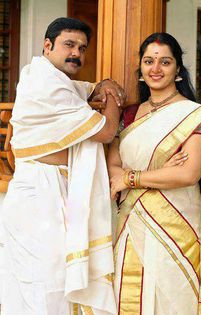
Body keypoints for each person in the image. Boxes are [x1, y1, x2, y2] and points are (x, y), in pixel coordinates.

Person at [1, 17, 125, 315]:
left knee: (53, 282)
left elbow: (84, 90)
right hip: (39, 195)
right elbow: (107, 132)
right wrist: (113, 98)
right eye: (69, 45)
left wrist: (101, 84)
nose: (76, 54)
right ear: (48, 45)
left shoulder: (50, 79)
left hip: (55, 188)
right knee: (43, 282)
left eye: (82, 48)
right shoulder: (45, 84)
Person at [107, 32, 201, 314]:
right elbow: (113, 163)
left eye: (165, 62)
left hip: (177, 222)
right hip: (132, 219)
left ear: (178, 69)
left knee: (174, 296)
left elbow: (188, 174)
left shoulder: (191, 115)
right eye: (149, 61)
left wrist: (132, 178)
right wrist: (158, 174)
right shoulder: (129, 115)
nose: (156, 69)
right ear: (140, 68)